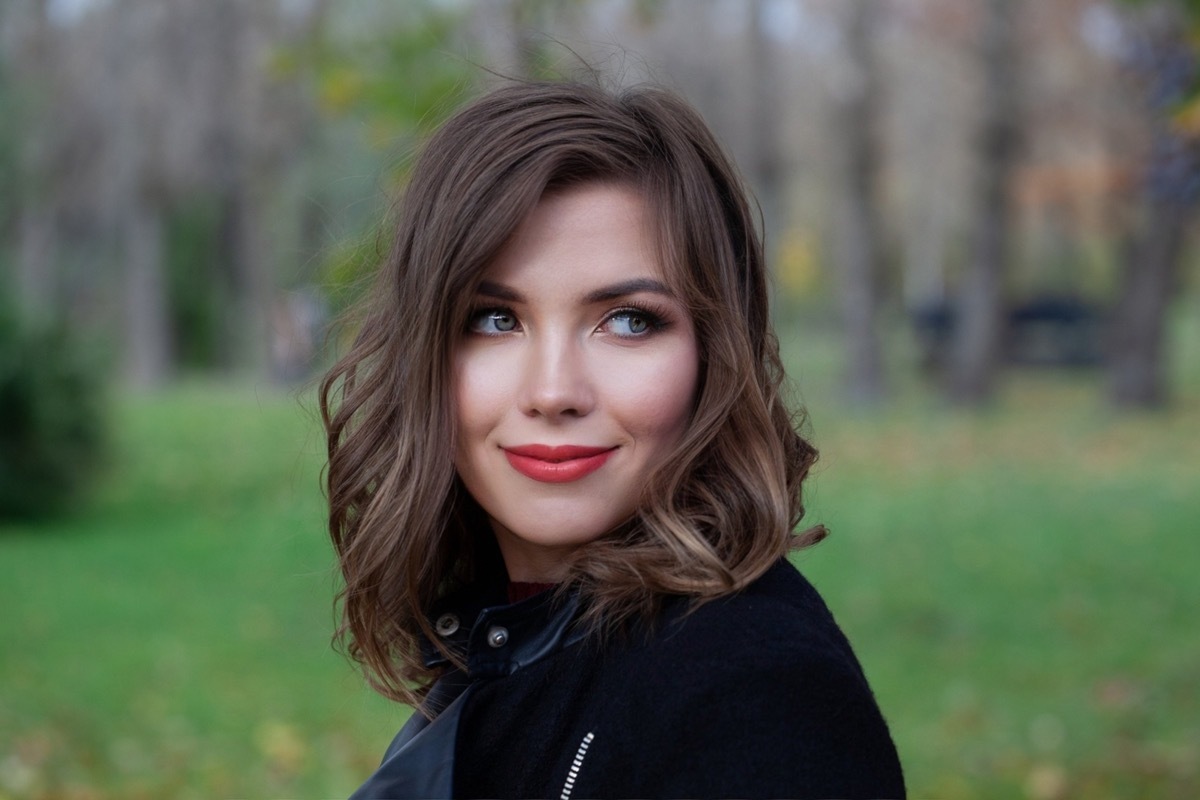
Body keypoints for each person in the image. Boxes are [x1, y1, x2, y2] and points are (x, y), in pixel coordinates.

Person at [321, 80, 904, 799]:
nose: (554, 391)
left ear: (712, 356)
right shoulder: (506, 637)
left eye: (628, 320)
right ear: (425, 352)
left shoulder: (758, 693)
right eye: (495, 319)